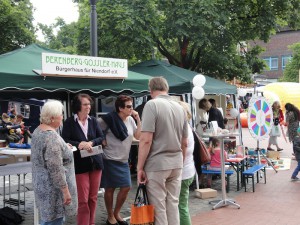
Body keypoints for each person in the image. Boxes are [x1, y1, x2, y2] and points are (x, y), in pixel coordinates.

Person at [137, 77, 188, 225]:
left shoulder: (152, 105)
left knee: (159, 208)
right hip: (176, 162)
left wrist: (140, 167)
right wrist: (181, 161)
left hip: (157, 163)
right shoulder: (180, 107)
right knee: (173, 204)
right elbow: (184, 142)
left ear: (150, 90)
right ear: (167, 88)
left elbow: (146, 139)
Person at [31, 100, 77, 225]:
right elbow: (56, 169)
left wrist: (63, 147)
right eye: (61, 114)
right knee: (53, 221)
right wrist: (66, 192)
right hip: (54, 192)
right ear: (52, 118)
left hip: (42, 186)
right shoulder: (51, 137)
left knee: (46, 220)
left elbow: (48, 153)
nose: (62, 117)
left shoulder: (38, 130)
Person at [98, 95, 141, 225]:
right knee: (110, 188)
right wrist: (101, 139)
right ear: (120, 108)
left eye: (131, 106)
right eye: (128, 106)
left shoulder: (130, 120)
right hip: (109, 159)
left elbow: (138, 135)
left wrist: (138, 118)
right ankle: (110, 216)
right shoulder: (108, 120)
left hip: (123, 160)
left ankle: (117, 212)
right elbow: (95, 128)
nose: (131, 108)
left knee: (126, 187)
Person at [62, 93, 105, 225]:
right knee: (82, 200)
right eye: (85, 104)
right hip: (79, 165)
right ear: (78, 106)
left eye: (89, 104)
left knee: (93, 198)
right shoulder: (69, 122)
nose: (88, 106)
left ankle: (91, 222)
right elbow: (64, 140)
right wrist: (78, 144)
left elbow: (101, 137)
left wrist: (91, 143)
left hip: (96, 163)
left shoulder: (93, 120)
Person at [177, 101, 195, 225]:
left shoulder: (183, 129)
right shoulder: (187, 126)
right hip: (188, 170)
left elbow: (182, 149)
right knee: (182, 205)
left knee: (181, 206)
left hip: (183, 172)